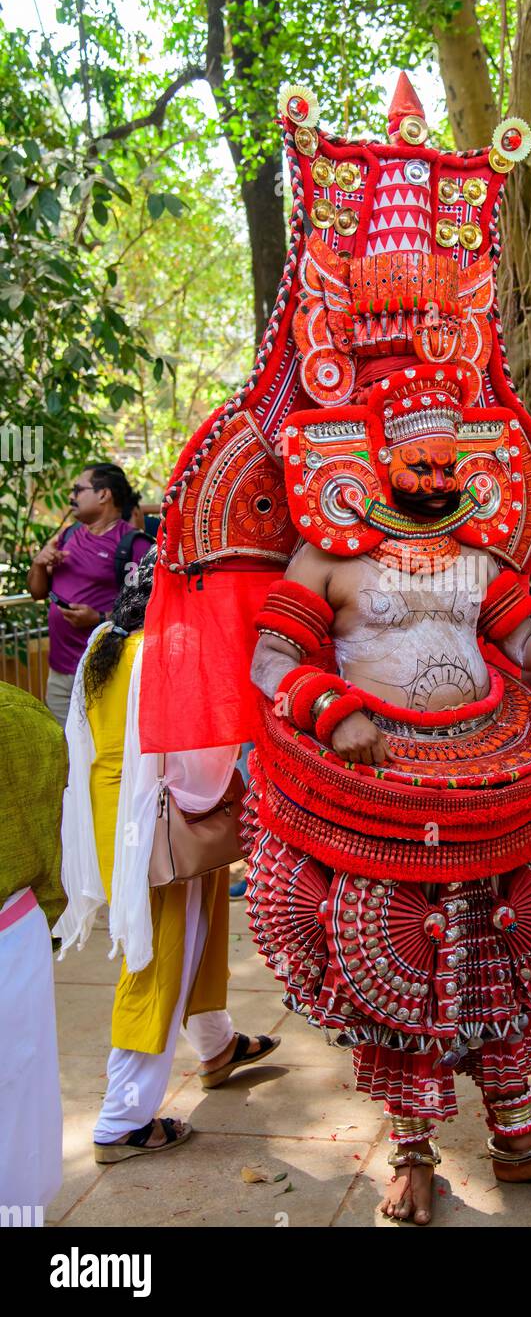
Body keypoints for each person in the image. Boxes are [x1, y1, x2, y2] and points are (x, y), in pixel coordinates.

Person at [140, 75, 531, 1225]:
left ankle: (514, 1136)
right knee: (394, 970)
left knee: (503, 961)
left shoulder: (476, 551)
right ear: (373, 453)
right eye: (412, 456)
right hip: (375, 780)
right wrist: (332, 711)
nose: (432, 473)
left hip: (490, 768)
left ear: (464, 457)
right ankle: (411, 1148)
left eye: (448, 455)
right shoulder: (327, 559)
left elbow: (528, 642)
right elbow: (272, 663)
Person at [54, 550, 279, 1163]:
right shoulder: (171, 650)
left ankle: (217, 1046)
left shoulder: (108, 637)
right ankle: (120, 1120)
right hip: (160, 825)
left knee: (201, 929)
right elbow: (197, 766)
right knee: (158, 960)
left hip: (120, 819)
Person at [0, 683, 67, 1215]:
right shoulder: (23, 718)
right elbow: (50, 844)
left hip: (15, 926)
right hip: (12, 928)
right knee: (18, 1111)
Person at [27, 462, 152, 726]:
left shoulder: (134, 545)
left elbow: (149, 610)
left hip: (104, 673)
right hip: (59, 675)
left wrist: (98, 619)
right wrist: (38, 563)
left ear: (103, 494)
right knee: (64, 757)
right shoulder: (68, 536)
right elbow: (37, 591)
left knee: (101, 759)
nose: (71, 496)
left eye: (78, 489)